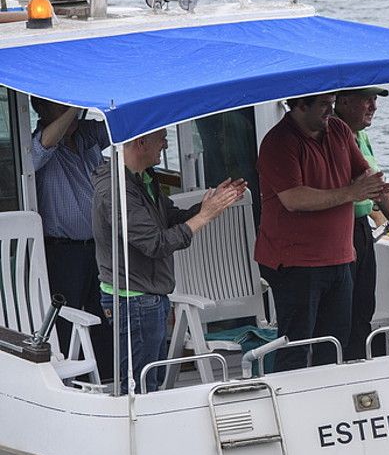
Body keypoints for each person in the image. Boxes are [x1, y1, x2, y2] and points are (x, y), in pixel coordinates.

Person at [254, 93, 389, 368]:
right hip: (295, 261)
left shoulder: (339, 130)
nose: (330, 110)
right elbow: (294, 199)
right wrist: (350, 193)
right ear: (300, 105)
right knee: (296, 343)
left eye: (331, 104)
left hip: (341, 257)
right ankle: (289, 404)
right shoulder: (278, 142)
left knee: (335, 341)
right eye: (323, 104)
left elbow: (372, 182)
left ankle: (327, 405)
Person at [91, 130, 245, 393]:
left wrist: (210, 204)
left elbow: (170, 217)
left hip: (148, 297)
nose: (166, 143)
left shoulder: (142, 178)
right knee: (140, 389)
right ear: (140, 143)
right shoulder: (115, 191)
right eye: (161, 137)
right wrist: (206, 215)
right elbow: (156, 243)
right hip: (133, 299)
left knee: (150, 381)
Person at [30, 98, 111, 373]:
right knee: (67, 322)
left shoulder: (87, 136)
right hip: (63, 252)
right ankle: (73, 382)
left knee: (104, 317)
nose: (70, 114)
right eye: (60, 106)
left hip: (99, 247)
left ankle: (109, 380)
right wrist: (75, 106)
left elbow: (120, 126)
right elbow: (44, 145)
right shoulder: (38, 145)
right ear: (41, 109)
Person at [332, 87, 389, 362]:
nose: (373, 107)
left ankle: (360, 365)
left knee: (364, 307)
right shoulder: (332, 137)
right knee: (341, 314)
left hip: (362, 228)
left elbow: (376, 186)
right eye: (367, 100)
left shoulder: (362, 137)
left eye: (375, 100)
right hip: (338, 231)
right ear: (343, 102)